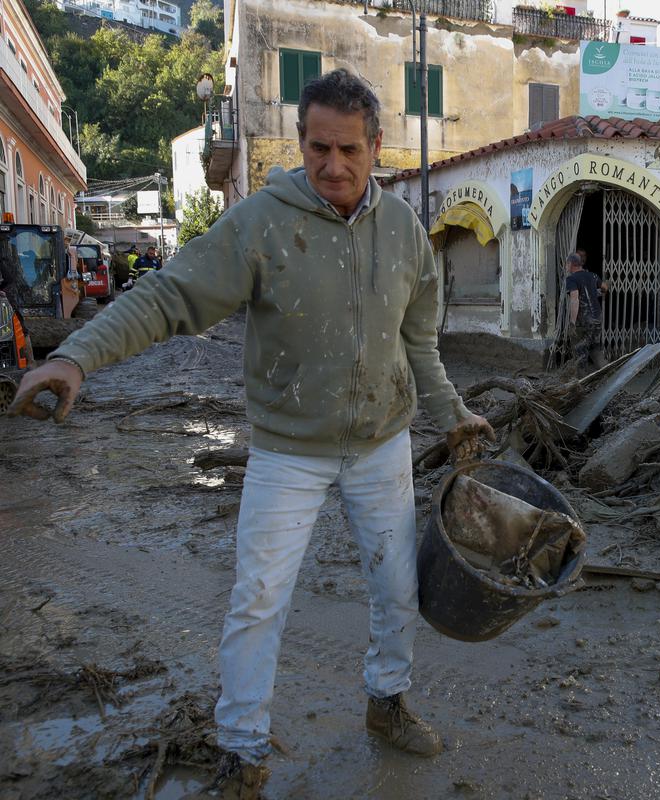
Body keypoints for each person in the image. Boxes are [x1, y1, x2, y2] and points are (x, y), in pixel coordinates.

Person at [6, 68, 494, 799]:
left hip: (381, 448)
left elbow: (419, 343)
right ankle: (242, 750)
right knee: (258, 598)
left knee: (396, 591)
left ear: (377, 147)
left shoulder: (404, 236)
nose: (332, 164)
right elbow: (170, 296)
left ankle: (387, 704)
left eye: (349, 150)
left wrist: (452, 413)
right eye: (318, 147)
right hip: (287, 453)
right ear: (301, 142)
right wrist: (76, 357)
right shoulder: (262, 222)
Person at [563, 253, 605, 372]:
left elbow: (574, 300)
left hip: (584, 321)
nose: (566, 266)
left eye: (567, 264)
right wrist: (598, 292)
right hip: (597, 318)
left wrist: (572, 322)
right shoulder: (593, 276)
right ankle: (607, 374)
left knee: (579, 350)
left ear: (571, 264)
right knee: (595, 348)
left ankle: (582, 380)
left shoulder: (571, 279)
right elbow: (605, 287)